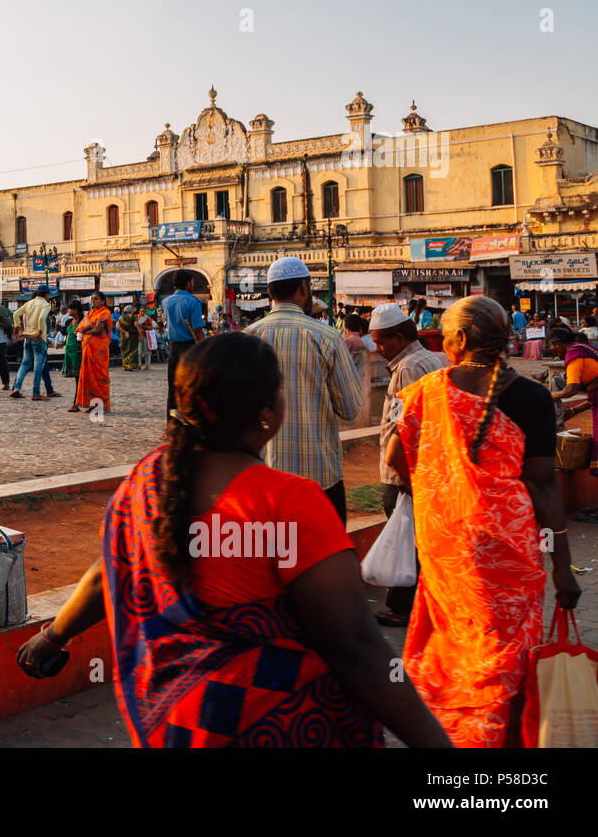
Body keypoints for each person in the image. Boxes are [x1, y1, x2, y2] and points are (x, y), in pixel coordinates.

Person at [17, 333, 451, 749]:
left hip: (175, 726)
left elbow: (109, 571)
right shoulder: (289, 501)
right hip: (282, 727)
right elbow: (356, 647)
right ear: (268, 413)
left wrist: (53, 635)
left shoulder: (143, 483)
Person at [386, 296, 579, 747]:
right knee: (507, 662)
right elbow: (545, 485)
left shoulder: (424, 392)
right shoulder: (530, 396)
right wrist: (562, 567)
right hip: (509, 558)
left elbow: (397, 460)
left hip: (446, 552)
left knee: (452, 655)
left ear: (460, 339)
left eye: (446, 336)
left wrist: (447, 488)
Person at [245, 257, 362, 525]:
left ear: (269, 293)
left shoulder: (247, 338)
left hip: (265, 477)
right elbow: (350, 409)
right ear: (303, 288)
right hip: (319, 477)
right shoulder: (327, 337)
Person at [368, 303, 447, 627]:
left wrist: (402, 471)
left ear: (398, 338)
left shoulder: (408, 368)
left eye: (382, 342)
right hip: (424, 466)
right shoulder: (429, 358)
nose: (379, 349)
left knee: (408, 541)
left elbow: (405, 427)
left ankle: (402, 607)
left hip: (406, 469)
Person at [548, 325, 598, 477]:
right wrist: (575, 410)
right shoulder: (583, 348)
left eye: (549, 347)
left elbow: (571, 390)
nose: (550, 351)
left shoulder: (574, 354)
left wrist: (551, 396)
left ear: (556, 344)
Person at [162, 270, 206, 412]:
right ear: (188, 284)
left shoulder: (165, 302)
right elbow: (198, 331)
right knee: (191, 385)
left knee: (173, 386)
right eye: (192, 283)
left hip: (173, 348)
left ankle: (172, 424)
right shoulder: (193, 301)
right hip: (190, 348)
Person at [69, 292, 111, 413]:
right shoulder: (90, 313)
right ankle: (92, 404)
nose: (93, 301)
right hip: (88, 350)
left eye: (96, 299)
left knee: (99, 377)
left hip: (99, 351)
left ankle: (103, 405)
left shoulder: (104, 312)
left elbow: (97, 329)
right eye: (92, 299)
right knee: (88, 377)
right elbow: (82, 325)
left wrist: (85, 330)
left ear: (103, 301)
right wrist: (86, 327)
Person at [11, 286, 55, 401]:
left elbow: (15, 314)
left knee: (25, 364)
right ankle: (36, 393)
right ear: (46, 295)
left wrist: (19, 328)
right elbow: (41, 318)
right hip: (38, 339)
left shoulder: (29, 303)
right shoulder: (46, 304)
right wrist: (40, 332)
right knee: (38, 366)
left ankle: (16, 387)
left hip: (27, 337)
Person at [61, 300, 83, 379]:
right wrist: (62, 343)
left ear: (75, 310)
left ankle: (79, 391)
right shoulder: (68, 321)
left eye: (69, 309)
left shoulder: (82, 321)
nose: (68, 310)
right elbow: (68, 335)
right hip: (68, 349)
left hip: (78, 349)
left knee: (80, 374)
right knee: (75, 376)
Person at [119, 303, 140, 371]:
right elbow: (136, 325)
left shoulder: (122, 317)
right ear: (132, 310)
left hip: (124, 336)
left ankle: (125, 365)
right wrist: (140, 333)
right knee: (132, 350)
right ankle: (130, 365)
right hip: (132, 336)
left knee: (125, 349)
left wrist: (125, 332)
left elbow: (117, 326)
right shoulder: (133, 317)